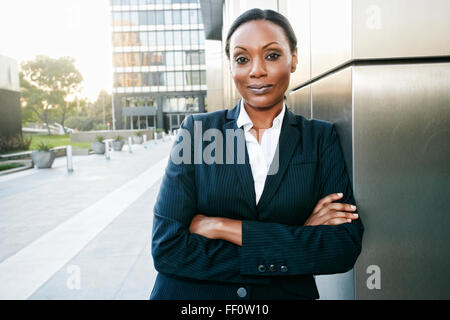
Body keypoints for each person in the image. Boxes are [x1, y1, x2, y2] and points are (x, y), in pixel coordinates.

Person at [149, 8, 364, 300]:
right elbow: (168, 249)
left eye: (272, 55)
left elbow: (342, 248)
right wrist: (296, 238)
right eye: (242, 59)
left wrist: (220, 226)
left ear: (294, 59)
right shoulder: (198, 133)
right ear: (231, 66)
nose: (256, 70)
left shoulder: (319, 138)